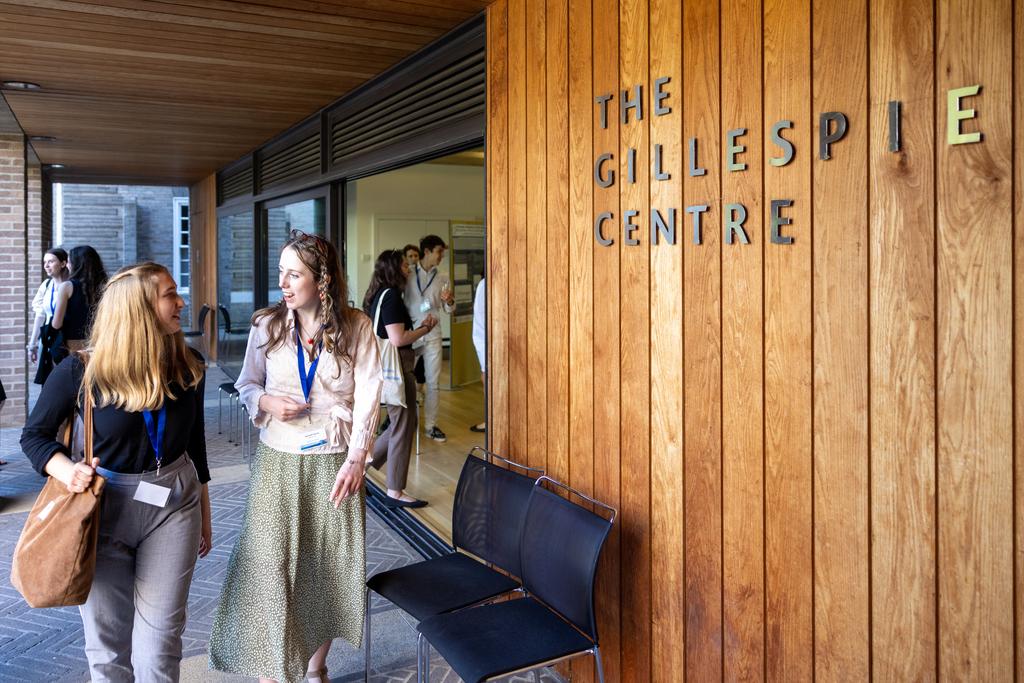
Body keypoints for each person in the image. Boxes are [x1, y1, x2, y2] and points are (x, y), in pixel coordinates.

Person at [20, 262, 212, 682]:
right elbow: (34, 436)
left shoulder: (189, 364)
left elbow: (195, 447)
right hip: (102, 509)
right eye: (169, 295)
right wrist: (68, 470)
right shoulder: (81, 370)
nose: (181, 302)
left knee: (161, 644)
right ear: (139, 308)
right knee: (107, 645)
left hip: (175, 507)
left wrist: (205, 512)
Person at [209, 230, 382, 683]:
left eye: (294, 274)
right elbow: (247, 385)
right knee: (270, 563)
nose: (283, 283)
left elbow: (369, 395)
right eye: (281, 273)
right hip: (278, 460)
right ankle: (270, 665)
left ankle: (315, 667)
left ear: (321, 280)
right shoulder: (267, 325)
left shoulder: (357, 326)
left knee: (324, 566)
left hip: (334, 459)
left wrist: (357, 457)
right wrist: (267, 402)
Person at [363, 249, 437, 507]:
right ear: (395, 269)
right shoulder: (392, 296)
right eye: (405, 266)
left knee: (399, 425)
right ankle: (395, 490)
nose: (409, 269)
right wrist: (425, 329)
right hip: (397, 371)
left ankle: (364, 467)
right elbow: (397, 339)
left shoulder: (379, 295)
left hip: (388, 369)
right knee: (403, 426)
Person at [404, 234, 455, 443]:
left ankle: (431, 426)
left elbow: (449, 309)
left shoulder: (443, 277)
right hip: (411, 335)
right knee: (404, 381)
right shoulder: (407, 275)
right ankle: (399, 423)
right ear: (427, 252)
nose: (441, 255)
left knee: (433, 384)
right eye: (439, 251)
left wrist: (449, 300)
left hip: (433, 335)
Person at [51, 245, 109, 359]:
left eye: (69, 261)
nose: (67, 265)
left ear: (77, 263)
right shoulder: (107, 286)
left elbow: (56, 324)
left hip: (73, 347)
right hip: (100, 343)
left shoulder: (66, 286)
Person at [28, 248, 70, 384]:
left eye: (51, 261)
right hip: (48, 338)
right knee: (48, 379)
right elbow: (40, 315)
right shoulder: (46, 285)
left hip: (67, 338)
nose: (46, 266)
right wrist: (32, 344)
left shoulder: (71, 284)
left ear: (63, 263)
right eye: (44, 262)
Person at [470, 277, 486, 433]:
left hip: (488, 338)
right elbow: (481, 317)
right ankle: (491, 418)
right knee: (487, 377)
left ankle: (492, 419)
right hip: (486, 338)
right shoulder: (485, 284)